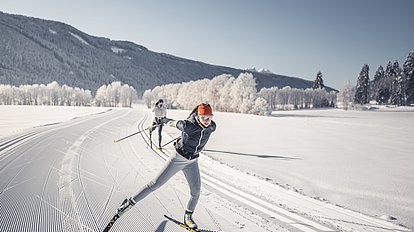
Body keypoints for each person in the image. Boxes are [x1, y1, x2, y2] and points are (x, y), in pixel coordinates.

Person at [117, 103, 216, 230]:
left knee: (196, 192)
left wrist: (184, 139)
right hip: (178, 158)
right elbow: (173, 123)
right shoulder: (188, 125)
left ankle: (188, 217)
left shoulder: (212, 127)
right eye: (204, 118)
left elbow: (201, 133)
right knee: (155, 184)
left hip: (192, 162)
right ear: (197, 116)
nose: (207, 121)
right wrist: (163, 120)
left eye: (210, 117)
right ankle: (128, 204)